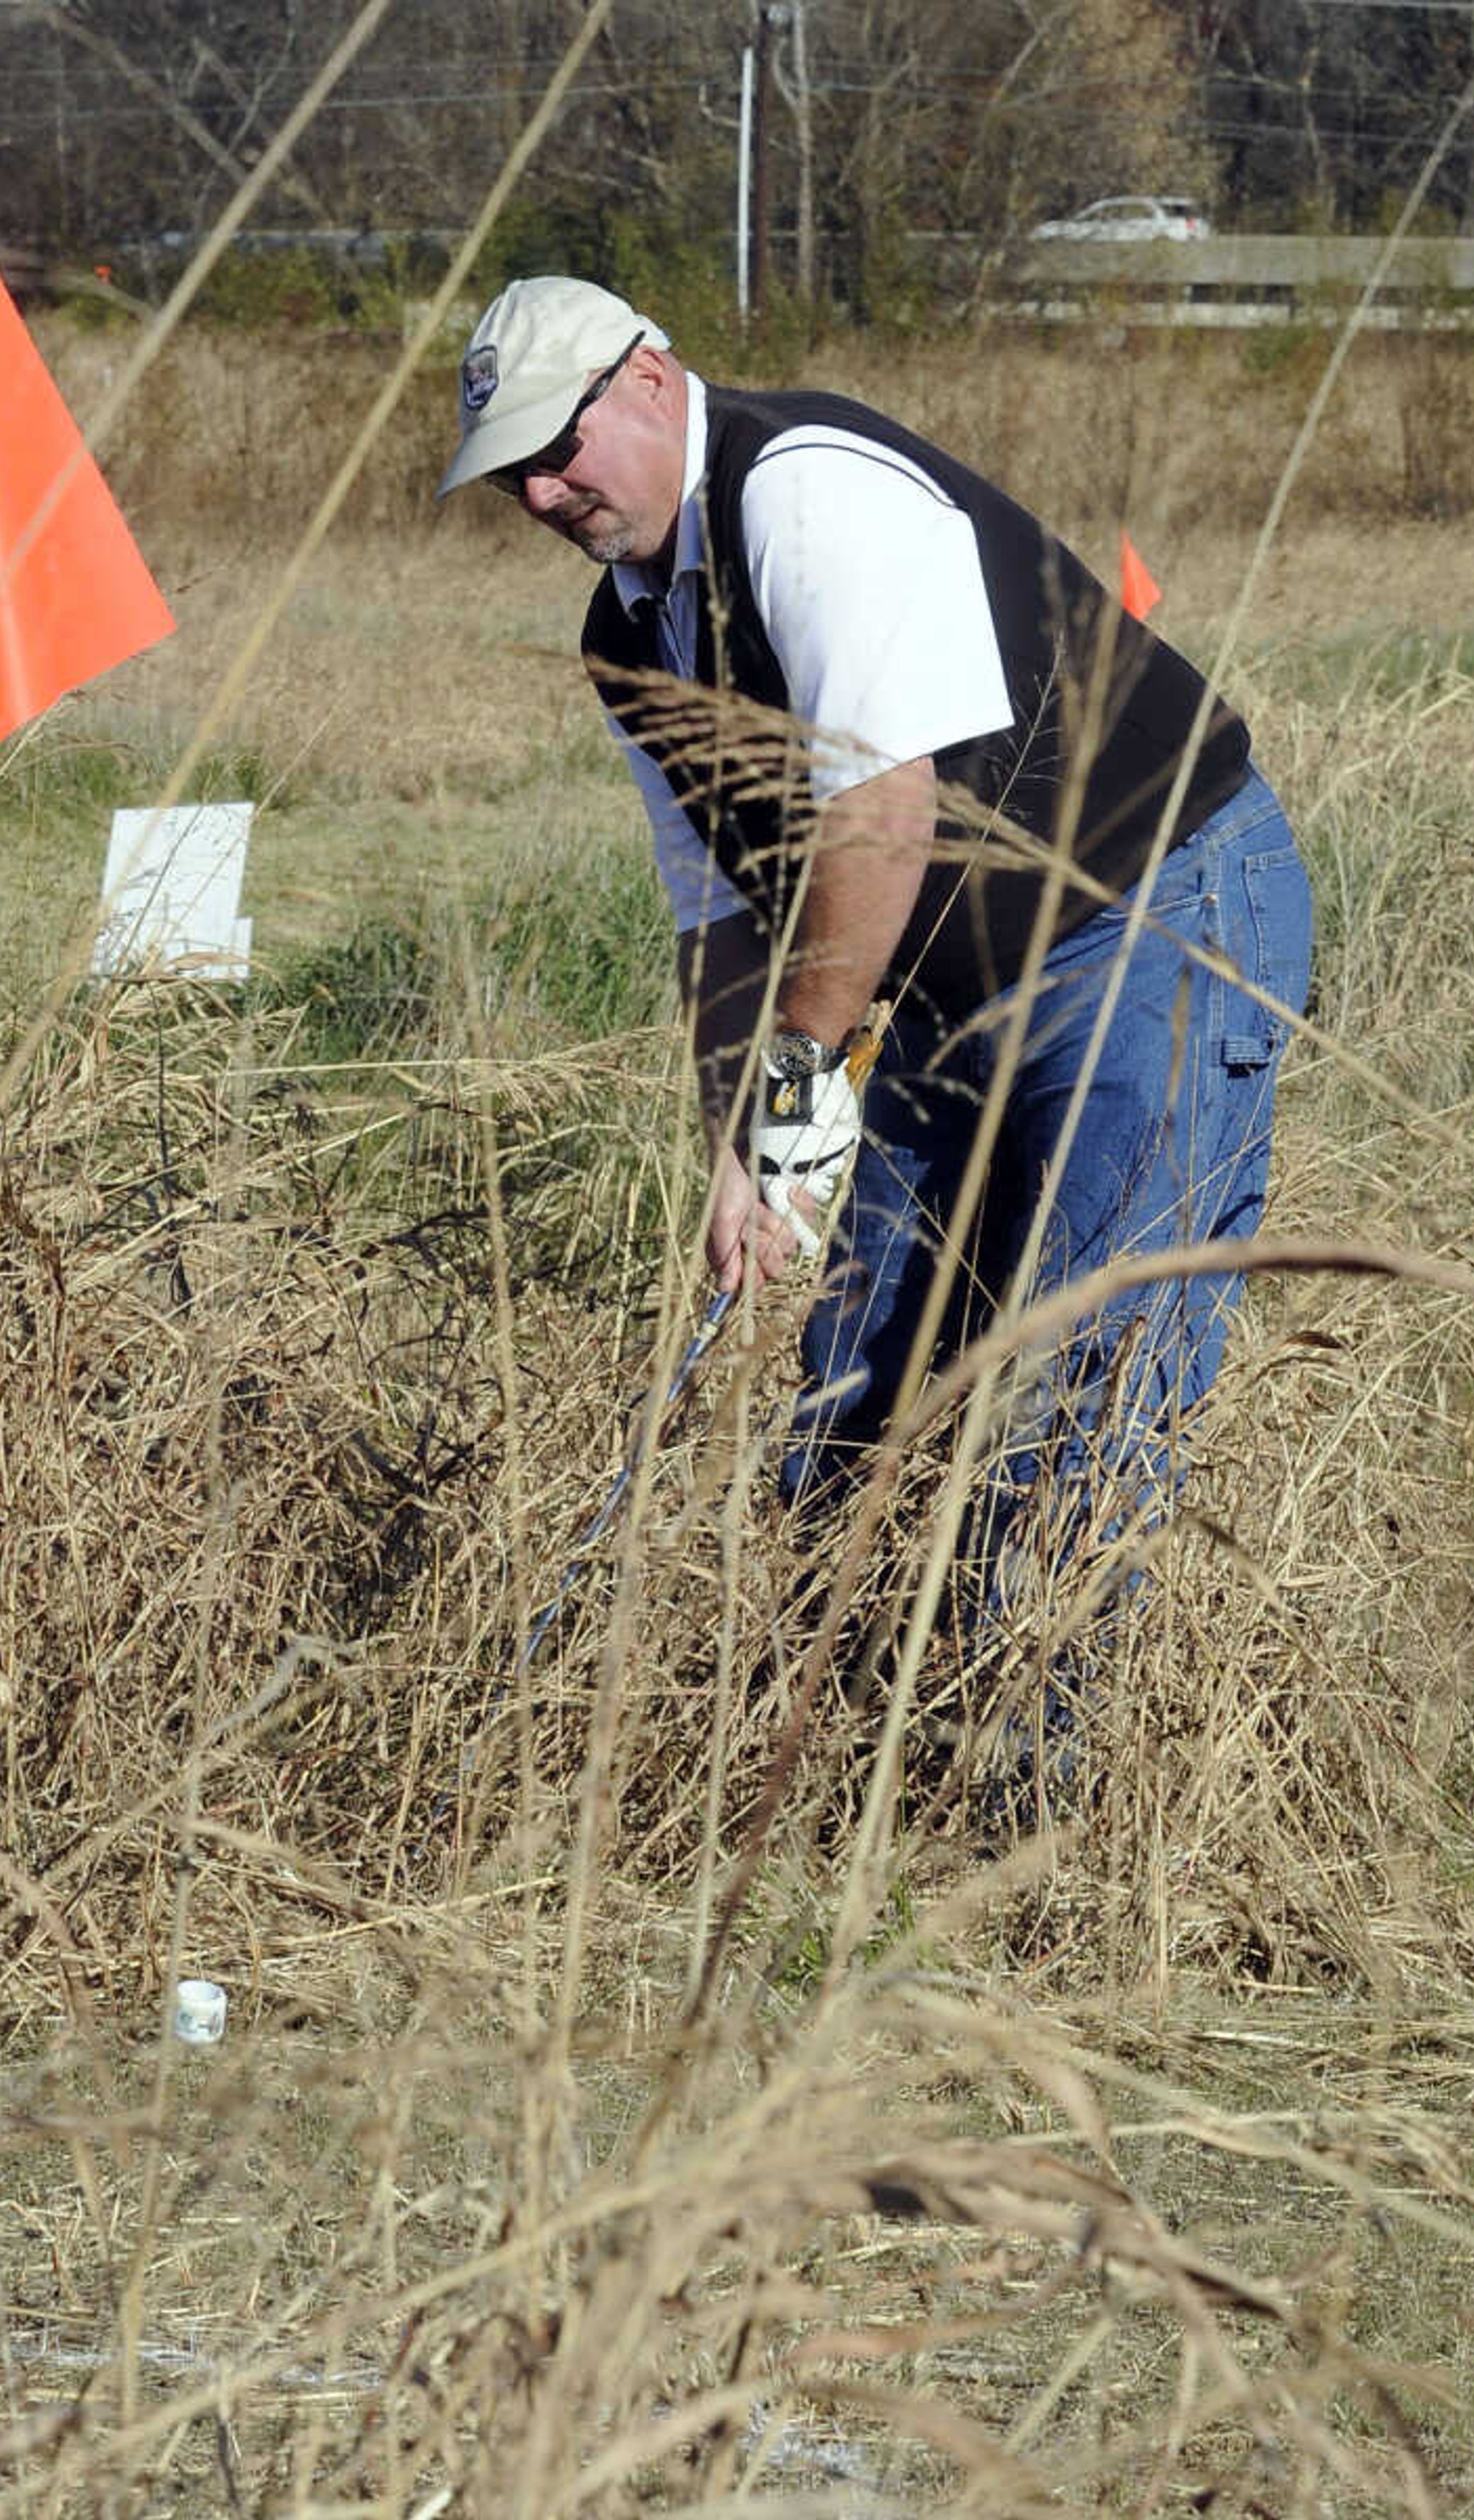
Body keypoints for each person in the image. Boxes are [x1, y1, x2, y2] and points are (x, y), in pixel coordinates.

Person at [437, 275, 1312, 1697]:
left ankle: (1030, 1835)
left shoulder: (802, 492)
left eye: (558, 446)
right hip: (956, 993)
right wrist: (747, 1138)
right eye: (511, 475)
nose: (542, 494)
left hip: (1155, 910)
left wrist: (798, 1081)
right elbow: (722, 915)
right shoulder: (627, 637)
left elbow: (880, 814)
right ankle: (847, 1777)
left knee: (1072, 1383)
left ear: (651, 380)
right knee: (861, 1382)